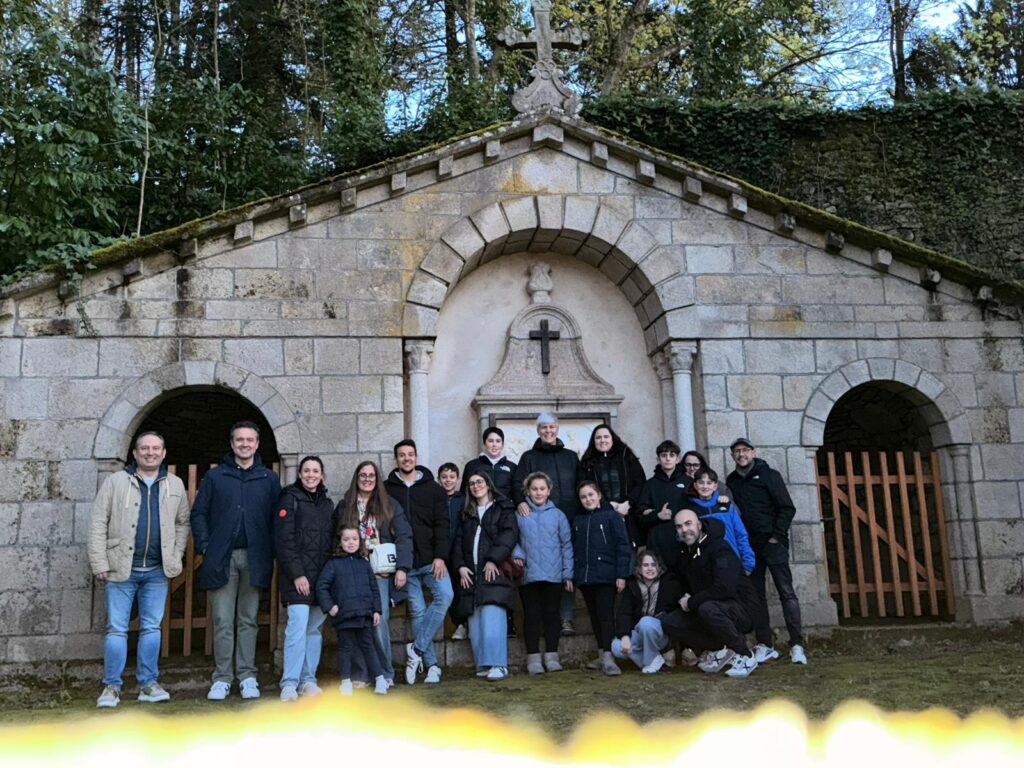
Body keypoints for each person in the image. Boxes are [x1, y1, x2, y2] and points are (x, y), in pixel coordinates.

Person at [87, 431, 190, 708]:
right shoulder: (115, 482)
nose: (150, 453)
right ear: (134, 453)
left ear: (164, 453)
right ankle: (111, 687)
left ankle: (148, 684)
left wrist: (176, 554)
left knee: (151, 628)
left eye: (156, 448)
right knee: (117, 629)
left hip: (157, 570)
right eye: (144, 448)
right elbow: (98, 522)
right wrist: (100, 562)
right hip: (121, 569)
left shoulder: (176, 484)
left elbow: (183, 523)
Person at [191, 421, 280, 701]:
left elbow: (277, 518)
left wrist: (270, 548)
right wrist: (206, 545)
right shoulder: (216, 478)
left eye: (250, 440)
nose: (245, 444)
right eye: (239, 440)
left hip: (255, 557)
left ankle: (247, 675)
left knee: (248, 619)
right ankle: (222, 678)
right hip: (222, 558)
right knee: (221, 619)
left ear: (257, 444)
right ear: (232, 444)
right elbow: (199, 514)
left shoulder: (268, 479)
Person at [726, 438, 807, 665]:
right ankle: (765, 644)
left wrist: (775, 537)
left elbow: (787, 508)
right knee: (756, 597)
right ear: (733, 456)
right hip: (750, 548)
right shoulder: (732, 481)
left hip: (774, 544)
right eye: (737, 452)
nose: (741, 454)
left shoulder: (770, 476)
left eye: (745, 450)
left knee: (786, 592)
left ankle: (797, 645)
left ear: (753, 452)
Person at [337, 460, 413, 687]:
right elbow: (337, 536)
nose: (367, 479)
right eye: (363, 475)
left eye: (372, 475)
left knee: (378, 623)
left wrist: (402, 568)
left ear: (377, 479)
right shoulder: (345, 506)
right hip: (353, 572)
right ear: (356, 478)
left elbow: (404, 536)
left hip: (380, 574)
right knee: (355, 623)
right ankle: (362, 675)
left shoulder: (389, 505)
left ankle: (385, 672)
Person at [383, 439, 453, 685]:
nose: (406, 459)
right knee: (418, 611)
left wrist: (440, 556)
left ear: (416, 457)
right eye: (402, 455)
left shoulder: (433, 488)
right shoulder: (387, 489)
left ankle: (416, 649)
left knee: (445, 596)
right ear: (396, 459)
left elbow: (443, 524)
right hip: (405, 563)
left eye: (410, 454)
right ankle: (432, 666)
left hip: (431, 559)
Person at [660, 510, 760, 678]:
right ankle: (721, 650)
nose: (684, 530)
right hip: (709, 607)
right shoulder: (685, 552)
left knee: (707, 608)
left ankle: (745, 655)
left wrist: (691, 602)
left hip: (740, 609)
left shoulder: (719, 548)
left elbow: (724, 588)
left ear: (699, 525)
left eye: (688, 524)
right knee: (670, 622)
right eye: (679, 527)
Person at [274, 456, 337, 702]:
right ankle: (289, 682)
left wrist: (328, 579)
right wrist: (298, 574)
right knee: (297, 628)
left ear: (321, 475)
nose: (311, 475)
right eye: (307, 471)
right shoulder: (289, 499)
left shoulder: (327, 504)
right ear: (299, 474)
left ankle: (307, 680)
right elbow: (284, 540)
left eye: (316, 471)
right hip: (296, 578)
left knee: (314, 630)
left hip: (321, 579)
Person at [512, 413, 580, 634]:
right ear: (538, 431)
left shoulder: (570, 457)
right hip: (537, 523)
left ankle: (566, 617)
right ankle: (541, 620)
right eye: (544, 428)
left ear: (558, 429)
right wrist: (521, 502)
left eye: (552, 427)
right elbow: (517, 484)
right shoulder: (528, 457)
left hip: (567, 518)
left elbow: (580, 485)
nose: (548, 431)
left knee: (565, 569)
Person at [452, 473, 519, 681]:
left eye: (479, 482)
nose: (475, 486)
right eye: (471, 483)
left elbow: (509, 536)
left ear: (489, 484)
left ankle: (499, 664)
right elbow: (458, 542)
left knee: (493, 617)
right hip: (470, 572)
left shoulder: (503, 509)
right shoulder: (467, 514)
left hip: (493, 569)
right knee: (476, 621)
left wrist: (493, 559)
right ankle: (483, 664)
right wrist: (461, 566)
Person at [510, 472, 573, 674]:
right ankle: (533, 658)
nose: (538, 492)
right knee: (532, 616)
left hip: (553, 575)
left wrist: (567, 574)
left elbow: (566, 545)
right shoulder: (519, 514)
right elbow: (512, 539)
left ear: (549, 491)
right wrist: (517, 554)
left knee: (552, 616)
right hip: (528, 574)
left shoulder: (558, 515)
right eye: (534, 489)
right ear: (527, 491)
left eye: (542, 489)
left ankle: (552, 656)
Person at [315, 526, 388, 696]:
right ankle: (346, 682)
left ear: (360, 541)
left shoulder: (364, 563)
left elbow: (374, 588)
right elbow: (322, 586)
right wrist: (330, 607)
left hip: (364, 615)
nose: (351, 542)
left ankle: (380, 680)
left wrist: (376, 610)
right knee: (345, 649)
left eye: (354, 539)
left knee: (369, 647)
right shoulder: (333, 564)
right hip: (344, 616)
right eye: (346, 539)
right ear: (339, 542)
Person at [573, 480, 632, 676]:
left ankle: (609, 655)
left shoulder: (612, 517)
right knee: (595, 617)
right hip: (586, 577)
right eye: (583, 497)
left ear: (599, 496)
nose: (588, 499)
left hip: (607, 576)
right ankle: (601, 653)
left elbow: (623, 547)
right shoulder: (578, 521)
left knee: (606, 616)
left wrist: (621, 574)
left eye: (591, 495)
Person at [611, 549, 682, 674]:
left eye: (653, 565)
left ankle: (650, 660)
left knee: (646, 623)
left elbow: (677, 610)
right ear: (639, 568)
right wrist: (625, 636)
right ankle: (655, 661)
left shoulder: (670, 583)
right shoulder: (632, 585)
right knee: (616, 647)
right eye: (645, 565)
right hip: (639, 632)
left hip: (660, 634)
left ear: (659, 567)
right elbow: (624, 613)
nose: (650, 569)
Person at [577, 424, 645, 549]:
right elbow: (583, 488)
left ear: (612, 439)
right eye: (598, 438)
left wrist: (628, 504)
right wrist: (606, 505)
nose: (602, 440)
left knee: (628, 556)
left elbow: (640, 483)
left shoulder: (626, 456)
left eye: (606, 437)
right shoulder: (587, 463)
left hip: (627, 516)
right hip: (599, 515)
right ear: (593, 441)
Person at [685, 467, 756, 575]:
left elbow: (741, 535)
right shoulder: (691, 511)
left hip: (732, 561)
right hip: (706, 565)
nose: (705, 486)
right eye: (701, 482)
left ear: (715, 486)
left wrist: (748, 563)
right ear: (695, 485)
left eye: (709, 483)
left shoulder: (726, 507)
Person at [636, 440, 690, 569]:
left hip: (684, 542)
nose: (667, 459)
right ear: (658, 459)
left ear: (678, 459)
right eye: (664, 455)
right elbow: (640, 516)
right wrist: (657, 515)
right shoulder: (650, 485)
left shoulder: (688, 482)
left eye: (672, 455)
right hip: (658, 545)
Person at [438, 462, 469, 640]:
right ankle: (456, 623)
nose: (448, 480)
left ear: (457, 480)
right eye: (444, 477)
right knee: (447, 591)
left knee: (461, 589)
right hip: (442, 553)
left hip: (461, 552)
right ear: (439, 479)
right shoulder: (435, 498)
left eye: (451, 477)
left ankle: (464, 624)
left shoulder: (463, 499)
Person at [461, 427, 518, 501]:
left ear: (502, 444)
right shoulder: (471, 465)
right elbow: (464, 492)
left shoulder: (512, 467)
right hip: (478, 510)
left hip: (505, 510)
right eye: (490, 441)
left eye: (498, 441)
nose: (494, 445)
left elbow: (517, 492)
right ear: (484, 443)